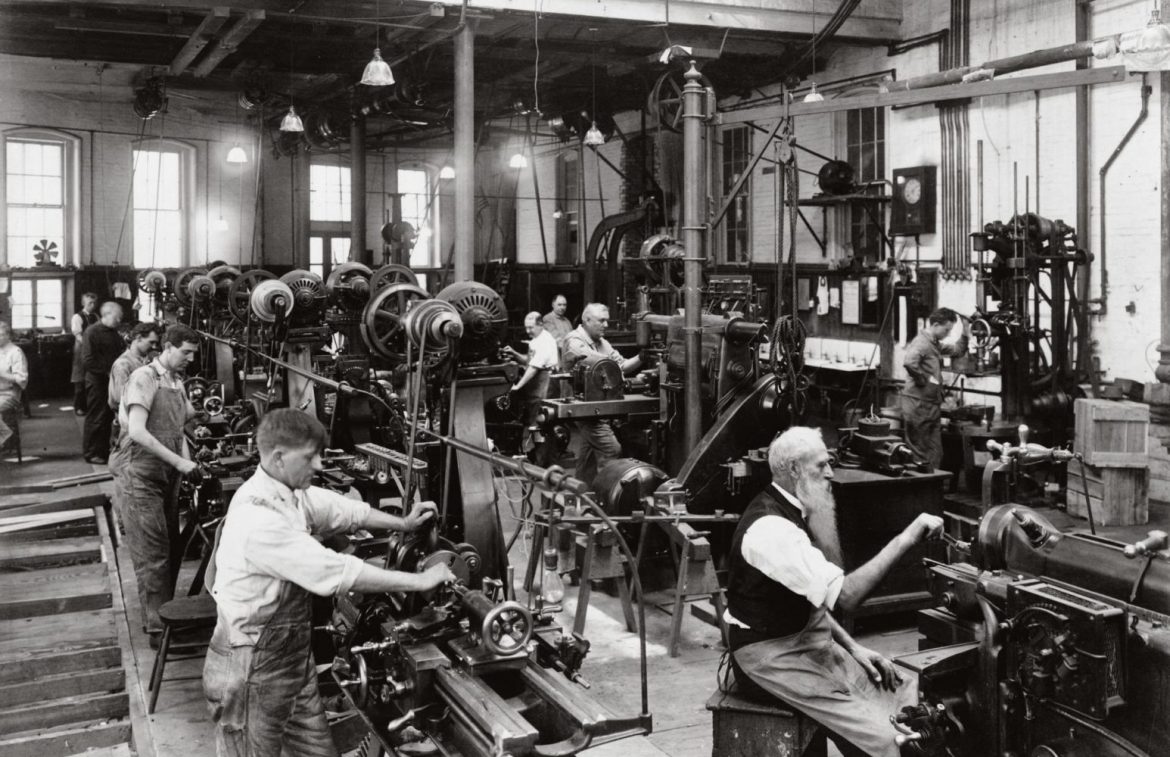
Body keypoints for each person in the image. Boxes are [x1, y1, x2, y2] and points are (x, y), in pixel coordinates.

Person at [203, 408, 454, 757]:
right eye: (310, 457)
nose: (320, 465)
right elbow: (336, 572)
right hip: (250, 666)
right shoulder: (259, 518)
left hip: (291, 660)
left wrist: (404, 524)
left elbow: (342, 510)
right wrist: (420, 580)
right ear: (278, 457)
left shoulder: (288, 493)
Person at [725, 427, 943, 757]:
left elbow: (812, 600)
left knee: (904, 693)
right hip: (768, 658)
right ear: (794, 469)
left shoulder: (792, 512)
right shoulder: (772, 529)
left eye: (830, 463)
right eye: (821, 465)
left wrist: (853, 647)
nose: (830, 473)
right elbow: (846, 597)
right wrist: (906, 538)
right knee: (886, 738)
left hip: (807, 642)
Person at [110, 324, 200, 641]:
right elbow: (137, 430)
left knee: (170, 547)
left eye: (194, 353)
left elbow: (178, 430)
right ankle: (158, 629)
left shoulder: (176, 381)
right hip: (140, 472)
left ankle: (165, 616)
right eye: (185, 352)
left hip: (167, 473)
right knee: (154, 553)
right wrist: (180, 462)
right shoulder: (144, 377)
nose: (190, 359)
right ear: (168, 347)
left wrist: (188, 464)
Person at [560, 303, 642, 486]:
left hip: (598, 406)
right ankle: (607, 494)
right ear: (587, 320)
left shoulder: (602, 342)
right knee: (611, 449)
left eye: (607, 321)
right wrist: (613, 365)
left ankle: (582, 492)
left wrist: (642, 357)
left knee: (588, 455)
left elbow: (621, 366)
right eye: (601, 321)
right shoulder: (573, 340)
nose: (606, 325)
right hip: (583, 408)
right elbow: (589, 358)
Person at [901, 307, 969, 469]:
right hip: (918, 405)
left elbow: (957, 350)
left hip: (931, 405)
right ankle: (920, 483)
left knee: (935, 452)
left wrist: (966, 328)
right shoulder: (922, 343)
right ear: (936, 325)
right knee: (919, 453)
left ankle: (933, 481)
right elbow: (909, 362)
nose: (948, 334)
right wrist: (923, 380)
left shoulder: (935, 344)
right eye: (946, 330)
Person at [81, 301, 124, 464]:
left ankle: (102, 451)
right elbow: (87, 361)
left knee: (106, 416)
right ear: (107, 314)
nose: (119, 320)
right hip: (97, 382)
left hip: (109, 381)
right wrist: (107, 371)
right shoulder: (91, 332)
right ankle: (91, 453)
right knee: (97, 417)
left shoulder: (113, 332)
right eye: (117, 317)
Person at [108, 322, 161, 443]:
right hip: (127, 426)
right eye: (151, 342)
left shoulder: (146, 361)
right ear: (138, 338)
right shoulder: (123, 365)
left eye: (156, 343)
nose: (154, 347)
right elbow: (121, 400)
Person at [0, 322, 28, 458]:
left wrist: (2, 374)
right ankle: (6, 436)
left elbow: (21, 379)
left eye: (0, 335)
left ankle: (6, 436)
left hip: (10, 393)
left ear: (8, 335)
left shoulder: (16, 352)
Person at [70, 292, 98, 415]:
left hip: (93, 350)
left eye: (94, 303)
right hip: (81, 349)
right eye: (90, 303)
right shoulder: (77, 317)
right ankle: (79, 407)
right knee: (80, 379)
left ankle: (90, 406)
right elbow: (78, 335)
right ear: (83, 303)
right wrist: (89, 345)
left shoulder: (96, 316)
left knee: (92, 379)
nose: (92, 305)